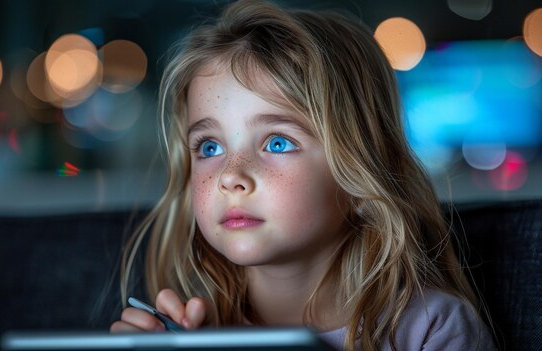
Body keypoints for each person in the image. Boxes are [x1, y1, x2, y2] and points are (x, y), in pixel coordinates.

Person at [110, 0, 496, 350]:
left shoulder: (431, 329)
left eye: (277, 143)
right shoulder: (189, 336)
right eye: (210, 147)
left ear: (361, 174)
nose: (231, 177)